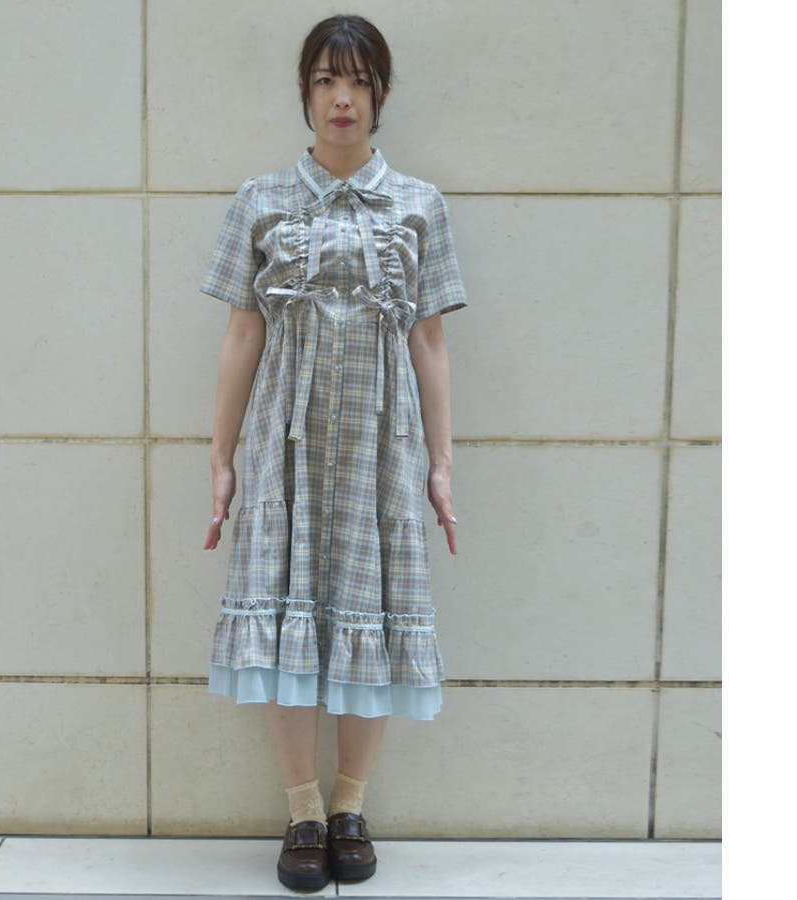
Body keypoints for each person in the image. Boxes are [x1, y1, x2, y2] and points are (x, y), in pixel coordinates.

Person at [200, 13, 468, 891]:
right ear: (305, 92)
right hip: (285, 443)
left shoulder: (420, 204)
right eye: (325, 79)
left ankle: (352, 806)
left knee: (371, 619)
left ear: (381, 94)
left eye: (357, 80)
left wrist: (440, 463)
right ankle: (303, 813)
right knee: (285, 621)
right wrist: (222, 457)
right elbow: (242, 334)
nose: (341, 97)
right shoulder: (261, 199)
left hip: (381, 447)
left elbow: (429, 341)